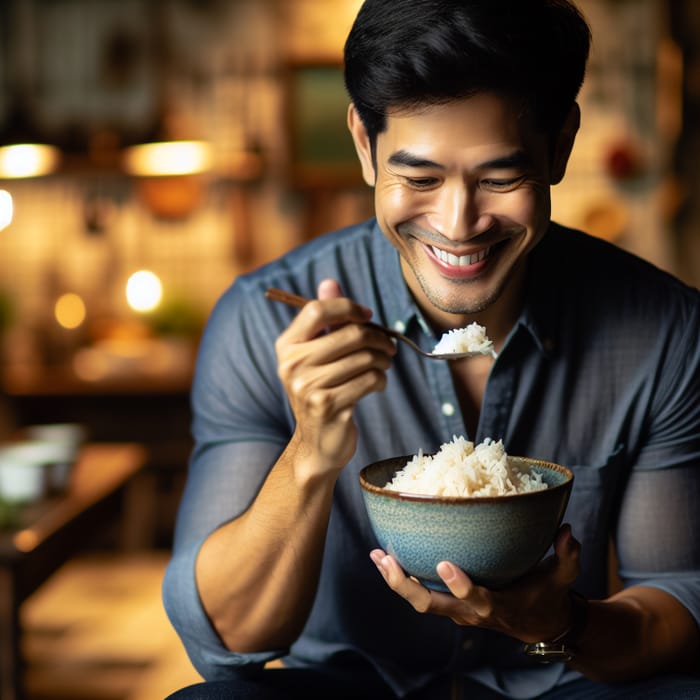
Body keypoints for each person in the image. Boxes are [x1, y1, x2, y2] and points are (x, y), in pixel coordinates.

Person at [163, 1, 700, 698]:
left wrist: (560, 621)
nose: (458, 226)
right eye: (419, 178)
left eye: (500, 178)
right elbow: (228, 643)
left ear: (560, 144)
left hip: (563, 678)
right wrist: (310, 453)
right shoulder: (257, 321)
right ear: (364, 144)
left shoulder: (664, 330)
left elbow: (679, 602)